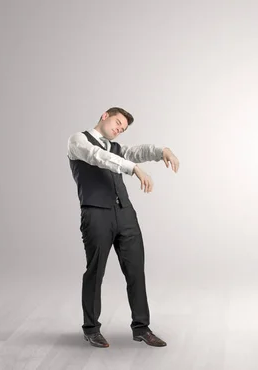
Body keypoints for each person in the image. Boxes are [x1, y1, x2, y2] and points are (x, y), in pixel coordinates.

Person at [67, 107, 180, 348]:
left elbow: (136, 152)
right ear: (105, 115)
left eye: (123, 129)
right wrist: (133, 169)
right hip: (96, 213)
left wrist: (162, 151)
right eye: (118, 122)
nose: (119, 129)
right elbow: (97, 157)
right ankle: (91, 328)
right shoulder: (78, 140)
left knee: (136, 270)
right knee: (95, 271)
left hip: (125, 214)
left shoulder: (117, 148)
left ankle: (141, 327)